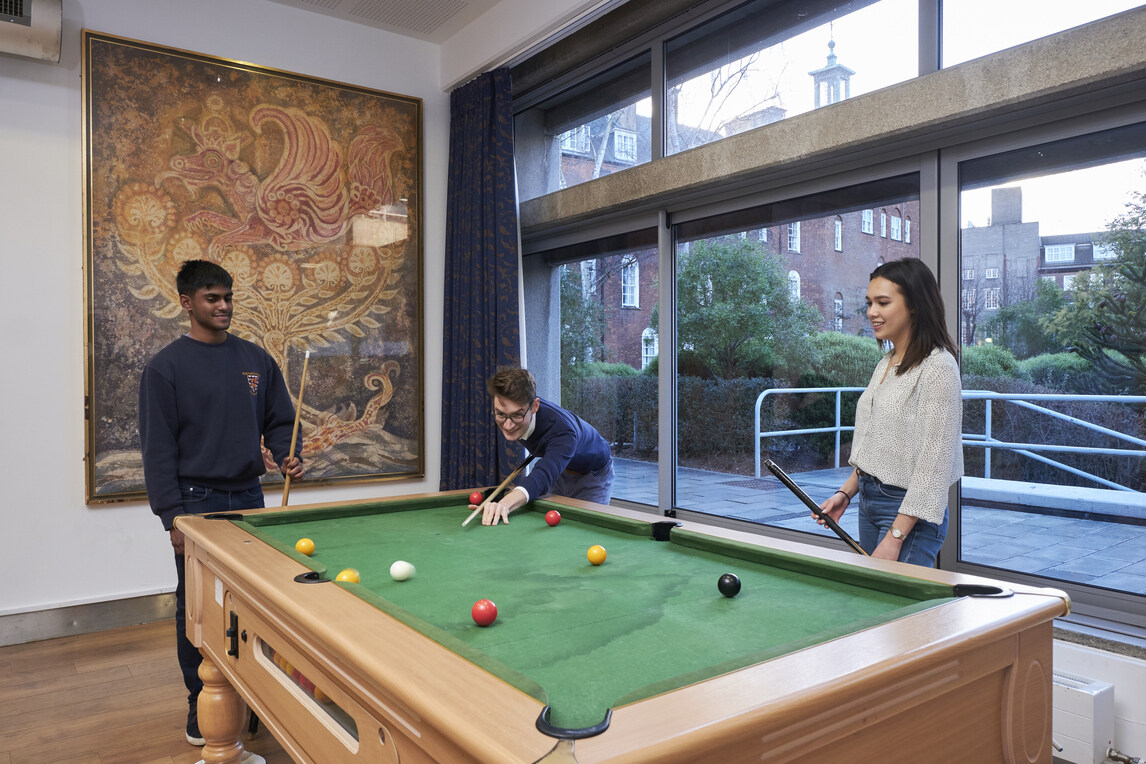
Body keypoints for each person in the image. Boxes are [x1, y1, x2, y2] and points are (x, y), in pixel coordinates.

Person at [138, 259, 303, 746]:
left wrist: (287, 451)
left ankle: (252, 688)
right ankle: (200, 699)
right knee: (197, 606)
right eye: (213, 298)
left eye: (228, 296)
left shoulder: (255, 359)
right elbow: (158, 450)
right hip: (195, 502)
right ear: (187, 303)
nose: (224, 306)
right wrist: (172, 517)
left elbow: (279, 418)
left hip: (249, 495)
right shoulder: (164, 369)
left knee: (255, 599)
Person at [814, 258, 962, 566]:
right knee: (874, 600)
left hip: (908, 513)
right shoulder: (887, 362)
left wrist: (896, 536)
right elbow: (877, 444)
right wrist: (845, 494)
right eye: (869, 303)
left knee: (897, 610)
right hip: (869, 501)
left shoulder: (938, 368)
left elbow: (934, 465)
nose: (871, 312)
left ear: (915, 306)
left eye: (883, 302)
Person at [476, 367, 614, 525]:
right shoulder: (519, 411)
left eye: (517, 415)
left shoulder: (563, 432)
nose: (507, 425)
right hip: (560, 470)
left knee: (590, 528)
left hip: (592, 473)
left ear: (535, 406)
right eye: (500, 414)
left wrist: (504, 504)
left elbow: (543, 474)